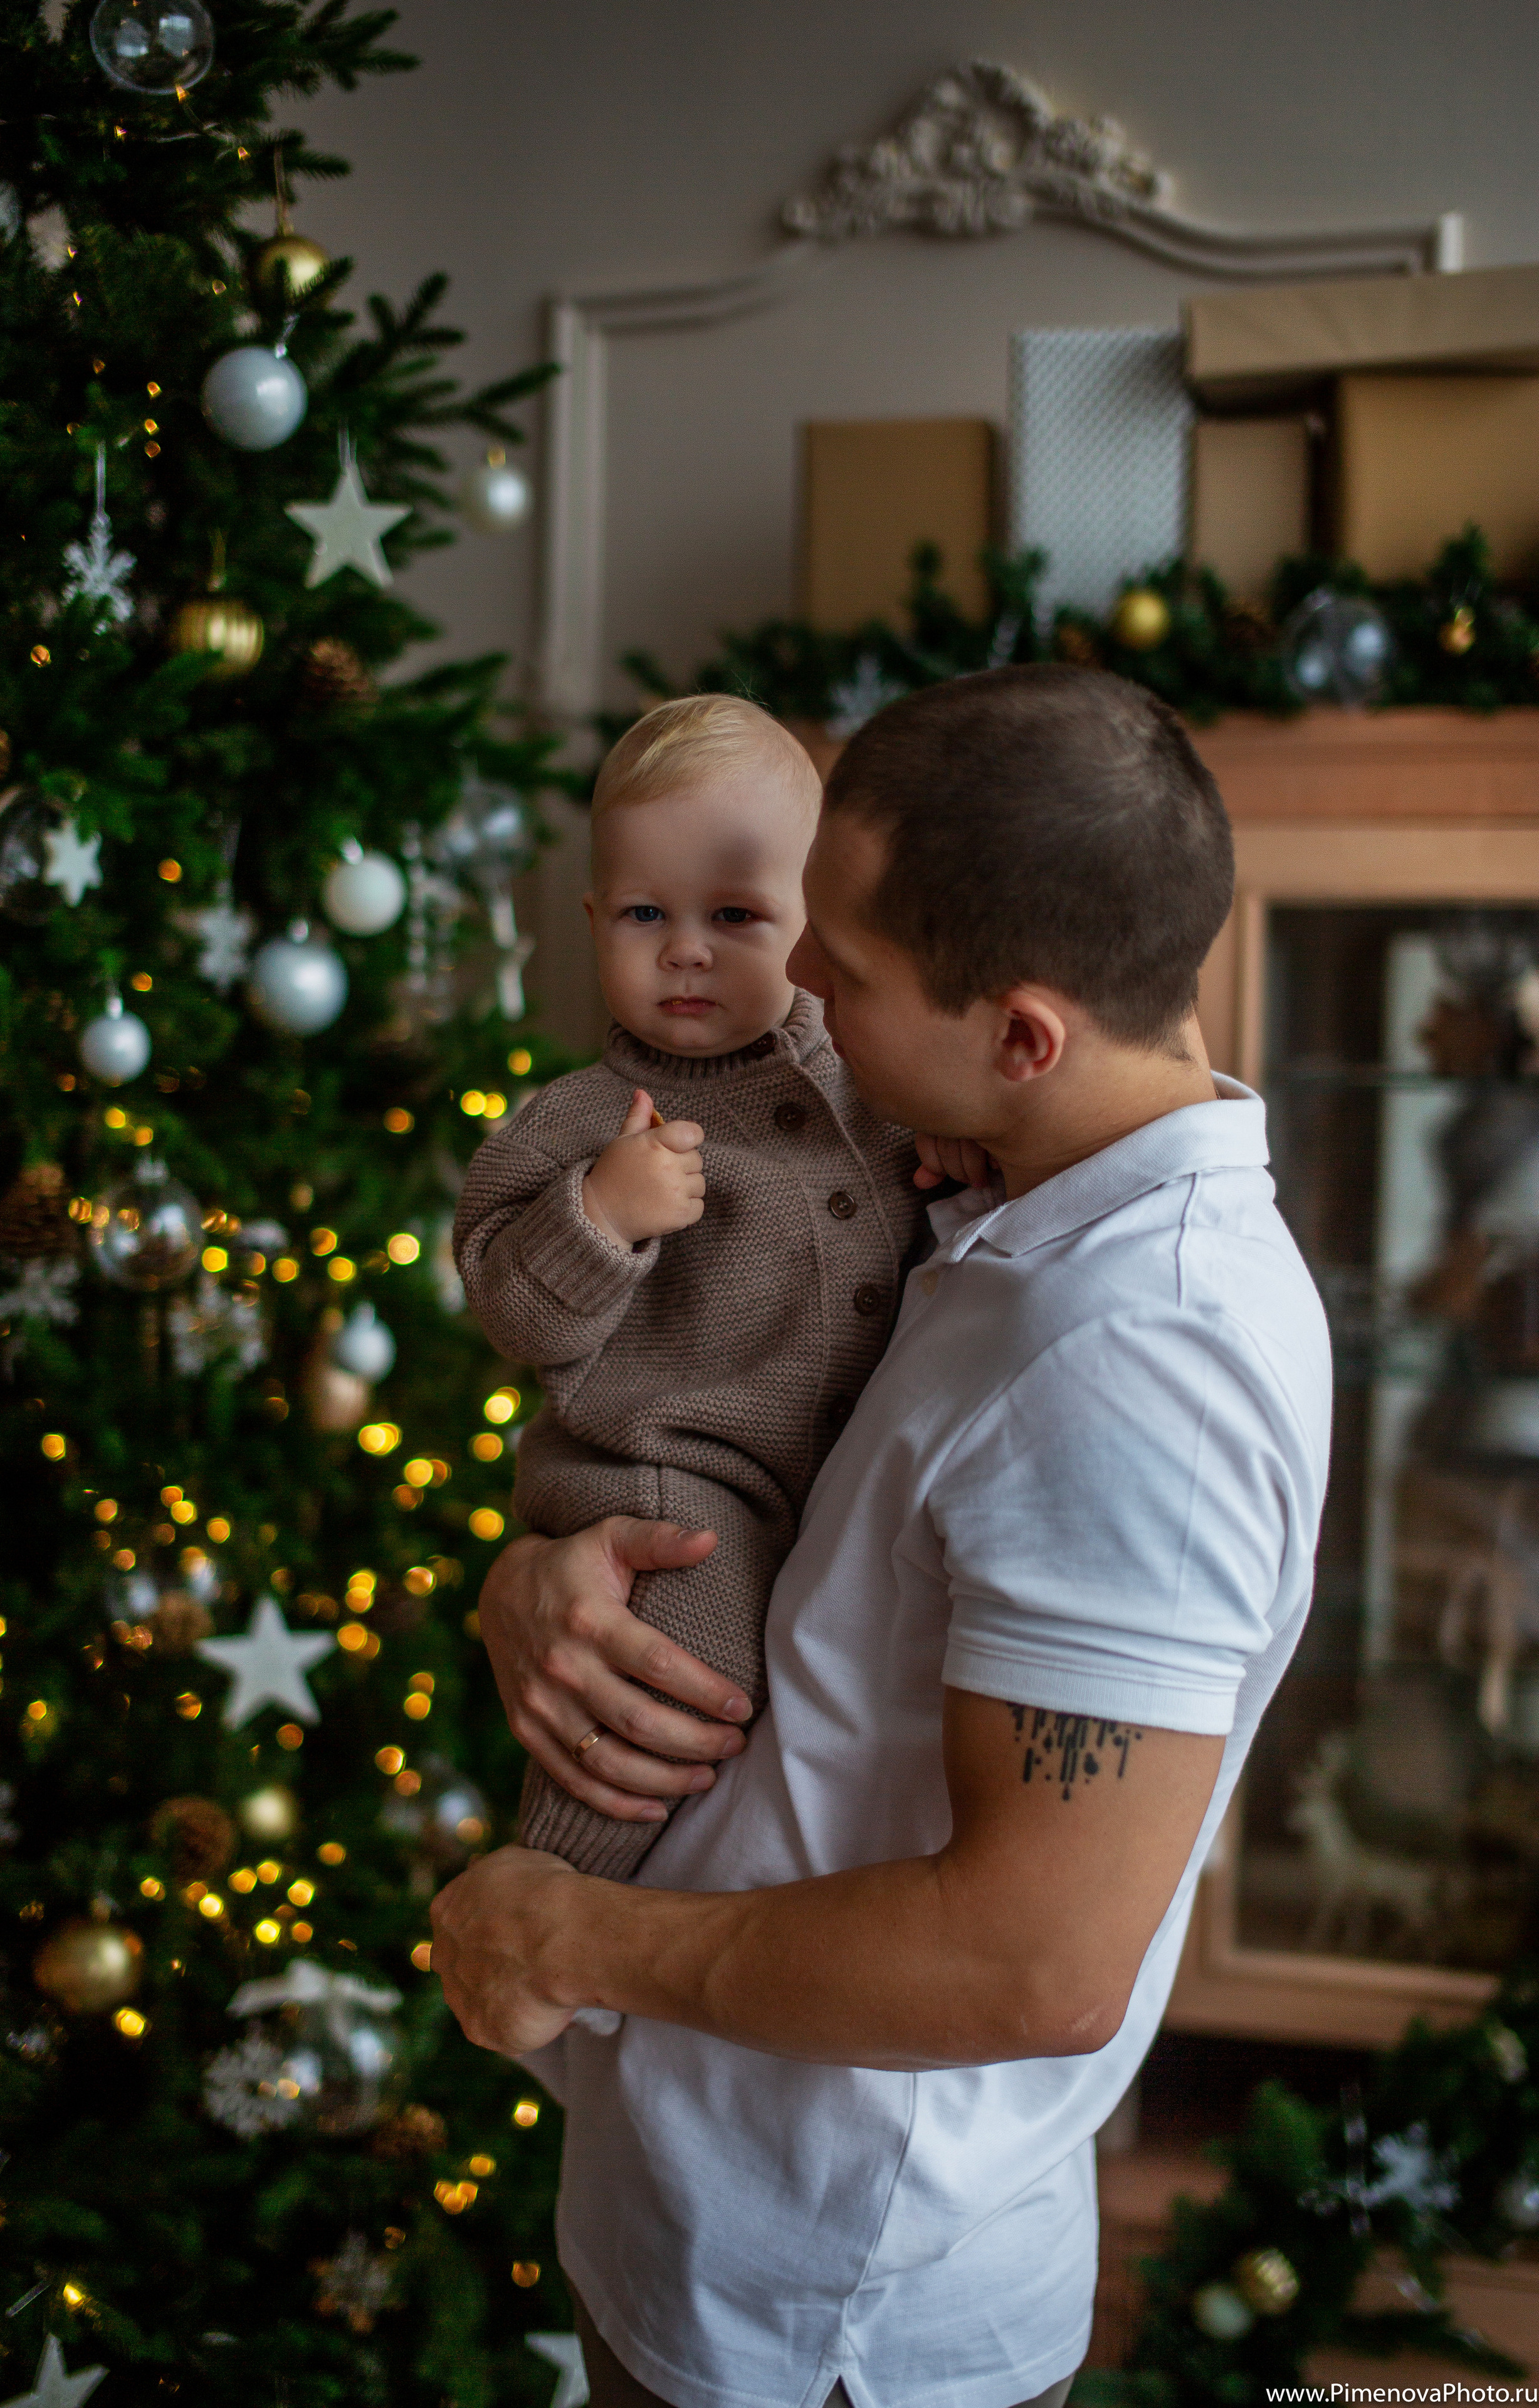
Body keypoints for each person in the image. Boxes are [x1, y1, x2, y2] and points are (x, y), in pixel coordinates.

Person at [432, 666, 1333, 2408]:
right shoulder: (1004, 1194)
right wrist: (548, 1573)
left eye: (843, 959)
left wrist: (569, 1941)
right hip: (706, 2191)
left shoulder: (1148, 1370)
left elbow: (1032, 1965)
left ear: (1022, 1032)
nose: (802, 988)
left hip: (827, 2304)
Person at [454, 693, 925, 1879]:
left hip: (834, 1492)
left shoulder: (882, 1080)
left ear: (816, 923)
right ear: (593, 917)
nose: (685, 950)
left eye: (735, 915)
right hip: (669, 1476)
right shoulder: (579, 1126)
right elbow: (510, 1312)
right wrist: (598, 1219)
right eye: (644, 914)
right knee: (692, 1643)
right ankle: (558, 1887)